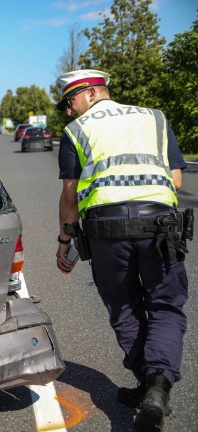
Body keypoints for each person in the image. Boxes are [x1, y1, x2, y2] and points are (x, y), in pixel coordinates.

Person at [54, 69, 189, 432]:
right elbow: (175, 179)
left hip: (106, 231)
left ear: (91, 94)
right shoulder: (155, 118)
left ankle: (149, 386)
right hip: (159, 227)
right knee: (164, 305)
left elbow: (70, 194)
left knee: (125, 308)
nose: (69, 111)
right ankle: (157, 388)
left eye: (70, 102)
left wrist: (65, 242)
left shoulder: (76, 131)